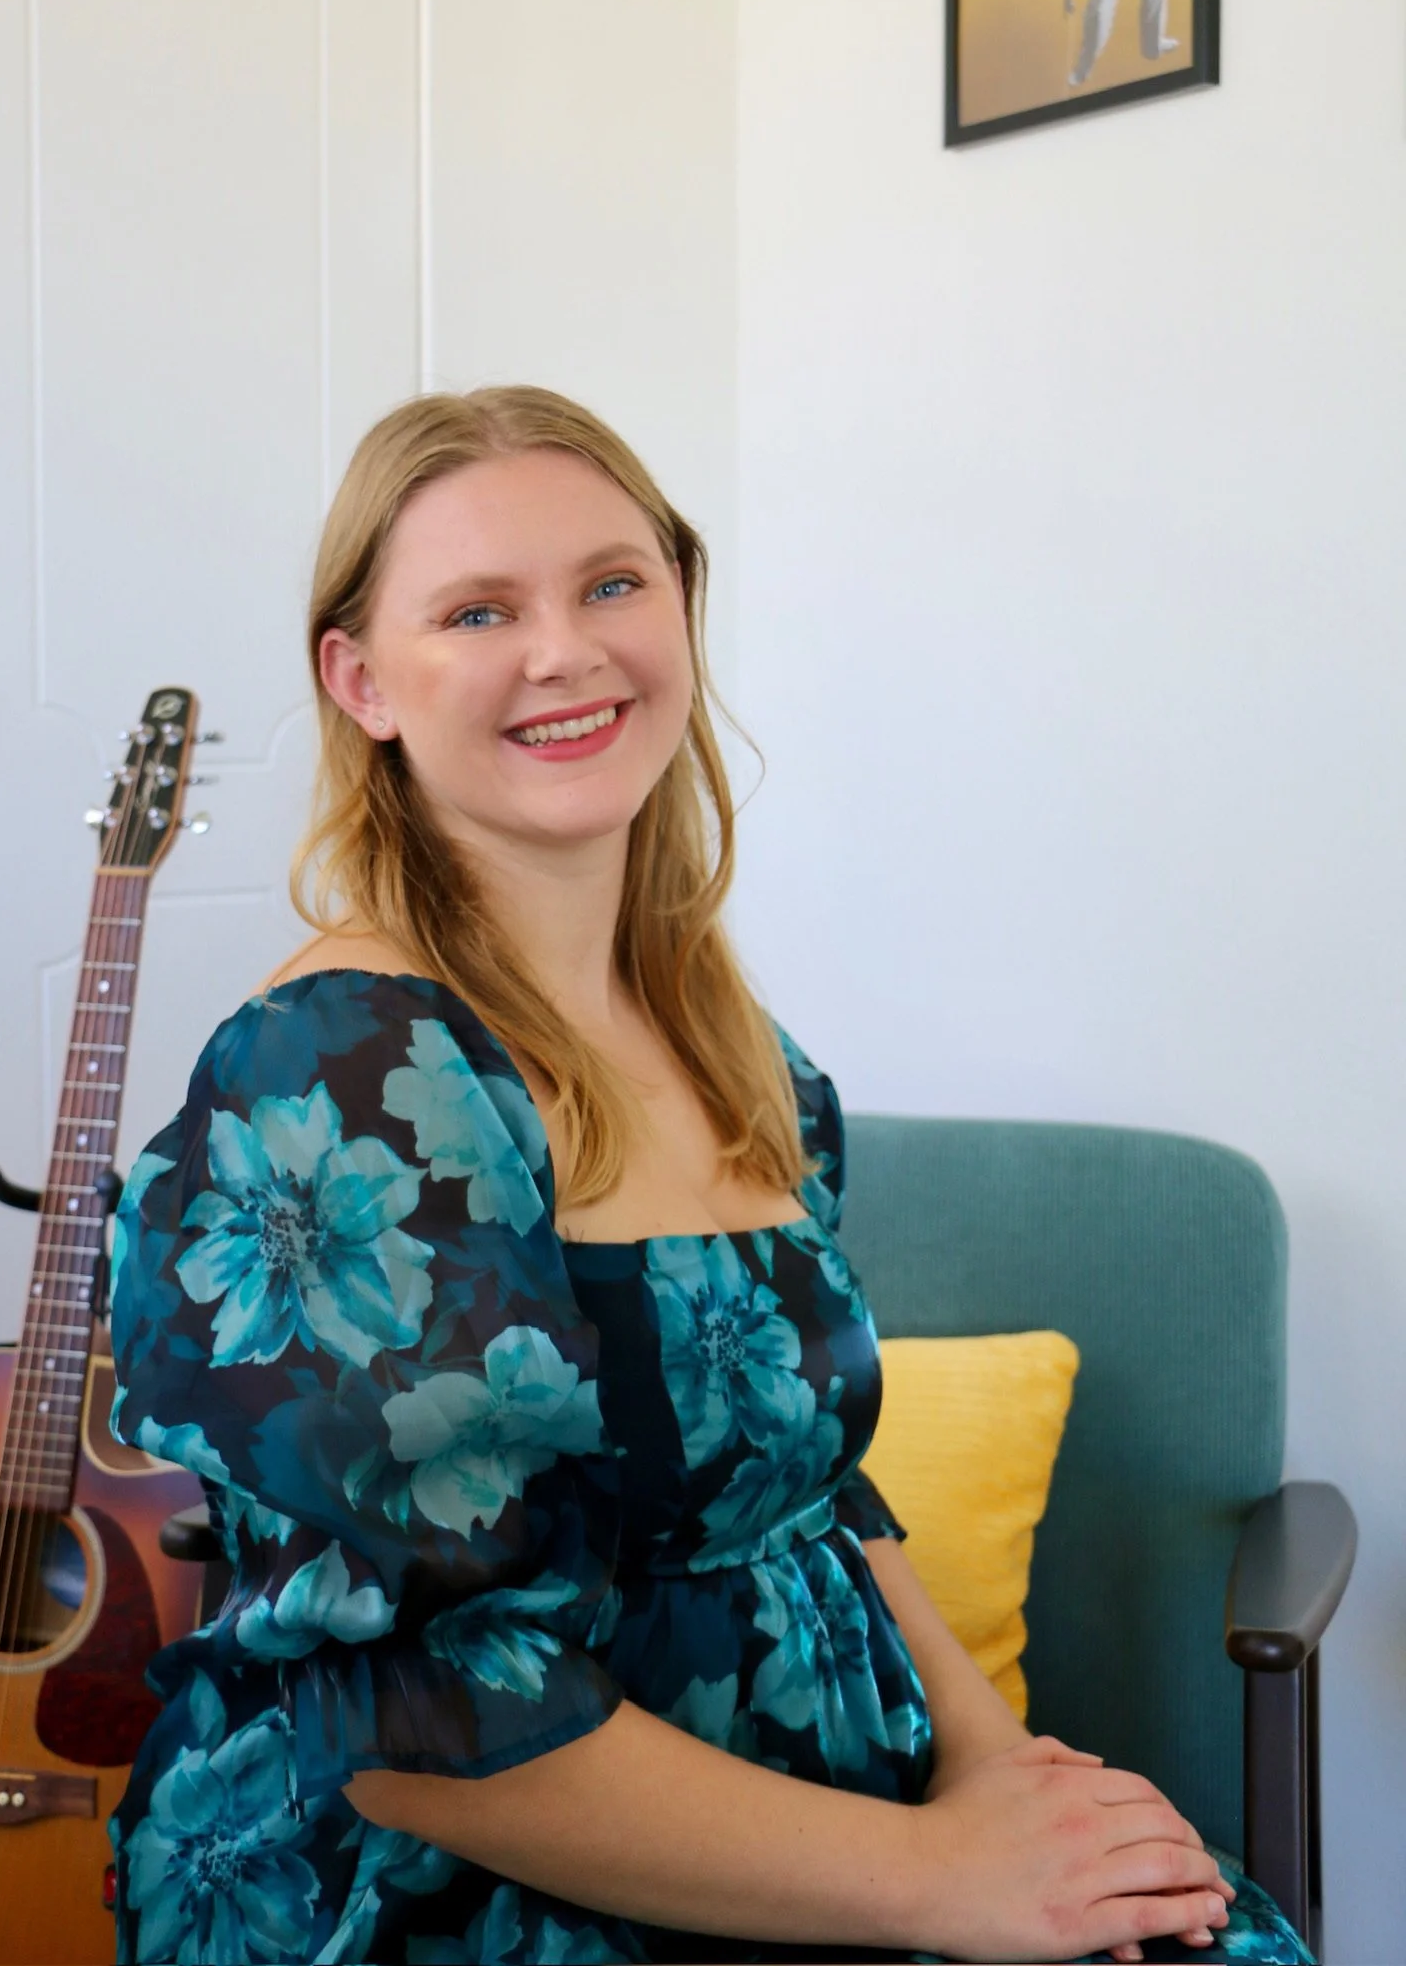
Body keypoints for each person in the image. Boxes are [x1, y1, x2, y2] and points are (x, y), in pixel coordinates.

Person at [108, 387, 1310, 1963]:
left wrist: (1000, 1770)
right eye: (479, 611)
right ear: (362, 681)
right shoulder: (343, 1075)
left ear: (680, 602)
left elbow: (814, 1490)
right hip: (476, 1893)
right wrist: (942, 1879)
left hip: (842, 1823)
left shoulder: (734, 1045)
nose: (564, 651)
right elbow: (409, 1717)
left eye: (612, 583)